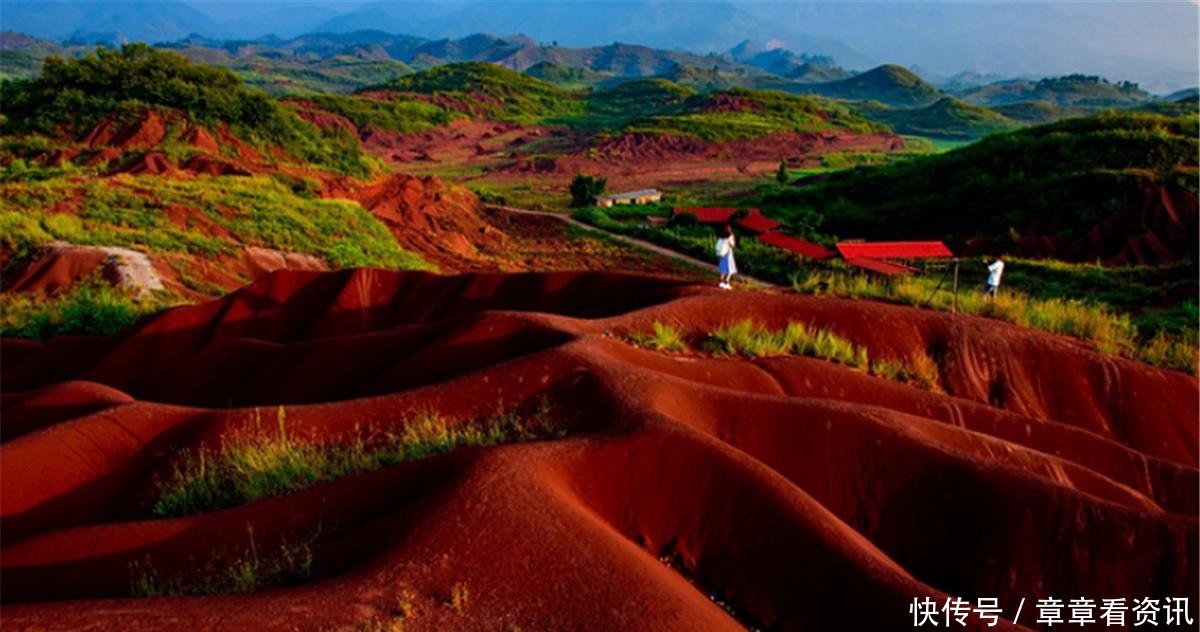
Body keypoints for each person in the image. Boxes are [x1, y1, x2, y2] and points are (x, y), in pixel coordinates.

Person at [715, 224, 737, 289]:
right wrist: (733, 238)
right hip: (728, 254)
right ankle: (726, 283)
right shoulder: (730, 236)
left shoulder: (721, 236)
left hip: (721, 253)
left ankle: (721, 282)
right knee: (731, 269)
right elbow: (732, 245)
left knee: (723, 268)